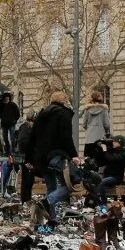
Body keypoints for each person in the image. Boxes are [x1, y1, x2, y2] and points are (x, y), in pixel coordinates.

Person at [29, 91, 77, 228]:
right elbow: (66, 137)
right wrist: (73, 155)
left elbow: (33, 137)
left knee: (51, 186)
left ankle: (52, 219)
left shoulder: (41, 114)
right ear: (64, 100)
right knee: (68, 186)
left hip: (41, 157)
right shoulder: (63, 113)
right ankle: (46, 202)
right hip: (57, 155)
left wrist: (30, 157)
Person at [14, 113, 36, 201]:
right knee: (27, 181)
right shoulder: (25, 128)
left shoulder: (28, 128)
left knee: (29, 181)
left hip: (28, 157)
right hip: (26, 158)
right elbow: (22, 143)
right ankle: (25, 200)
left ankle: (27, 199)